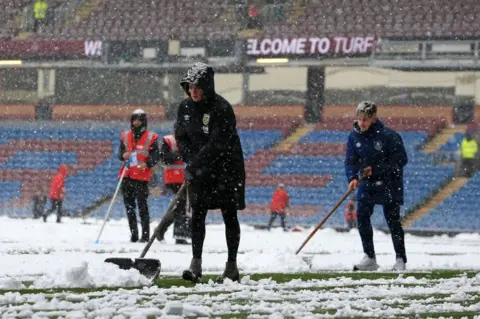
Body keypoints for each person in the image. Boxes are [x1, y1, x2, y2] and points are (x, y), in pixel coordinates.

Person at [175, 62, 246, 283]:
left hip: (227, 170)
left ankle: (231, 267)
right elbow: (181, 137)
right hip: (200, 171)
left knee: (229, 215)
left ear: (207, 86)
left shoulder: (222, 109)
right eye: (189, 87)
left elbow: (218, 144)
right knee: (197, 215)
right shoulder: (184, 108)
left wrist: (195, 165)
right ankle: (196, 265)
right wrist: (191, 162)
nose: (192, 91)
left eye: (197, 87)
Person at [344, 101, 408, 271]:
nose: (362, 122)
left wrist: (376, 169)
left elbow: (401, 161)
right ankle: (370, 257)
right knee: (362, 216)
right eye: (359, 119)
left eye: (365, 119)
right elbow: (350, 161)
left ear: (373, 118)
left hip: (390, 183)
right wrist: (352, 177)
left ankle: (400, 259)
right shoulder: (353, 136)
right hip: (367, 183)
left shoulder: (389, 136)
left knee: (393, 220)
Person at [118, 109, 160, 243]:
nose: (136, 122)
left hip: (141, 177)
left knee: (142, 206)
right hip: (127, 174)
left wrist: (147, 164)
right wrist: (122, 155)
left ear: (144, 121)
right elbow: (120, 154)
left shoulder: (151, 137)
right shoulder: (125, 136)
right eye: (134, 120)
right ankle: (134, 234)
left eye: (139, 120)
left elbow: (155, 156)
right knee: (129, 207)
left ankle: (145, 235)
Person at [155, 134, 192, 245]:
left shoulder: (190, 139)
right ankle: (175, 234)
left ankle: (163, 230)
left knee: (183, 206)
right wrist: (179, 155)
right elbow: (164, 159)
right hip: (174, 178)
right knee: (182, 206)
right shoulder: (169, 140)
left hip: (186, 177)